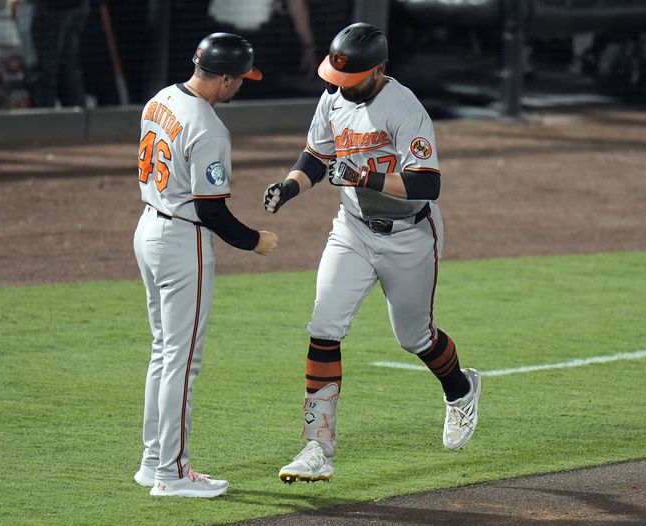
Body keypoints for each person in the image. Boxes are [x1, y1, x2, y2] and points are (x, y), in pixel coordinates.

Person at [262, 22, 481, 483]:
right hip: (353, 230)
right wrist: (289, 187)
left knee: (415, 337)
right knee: (324, 326)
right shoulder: (333, 98)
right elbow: (316, 158)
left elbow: (428, 183)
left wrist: (366, 178)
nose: (337, 86)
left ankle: (460, 391)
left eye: (350, 78)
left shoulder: (405, 108)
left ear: (378, 69)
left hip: (409, 234)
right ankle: (316, 447)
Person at [132, 32, 278, 497]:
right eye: (240, 79)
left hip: (148, 228)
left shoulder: (160, 100)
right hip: (181, 240)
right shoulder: (209, 127)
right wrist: (254, 240)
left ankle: (153, 461)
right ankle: (171, 475)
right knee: (182, 361)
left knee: (164, 353)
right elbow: (212, 209)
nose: (241, 87)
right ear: (226, 78)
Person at [8, 0, 89, 107]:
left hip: (46, 8)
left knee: (42, 73)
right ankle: (76, 119)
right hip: (74, 6)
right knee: (67, 69)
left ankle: (44, 120)